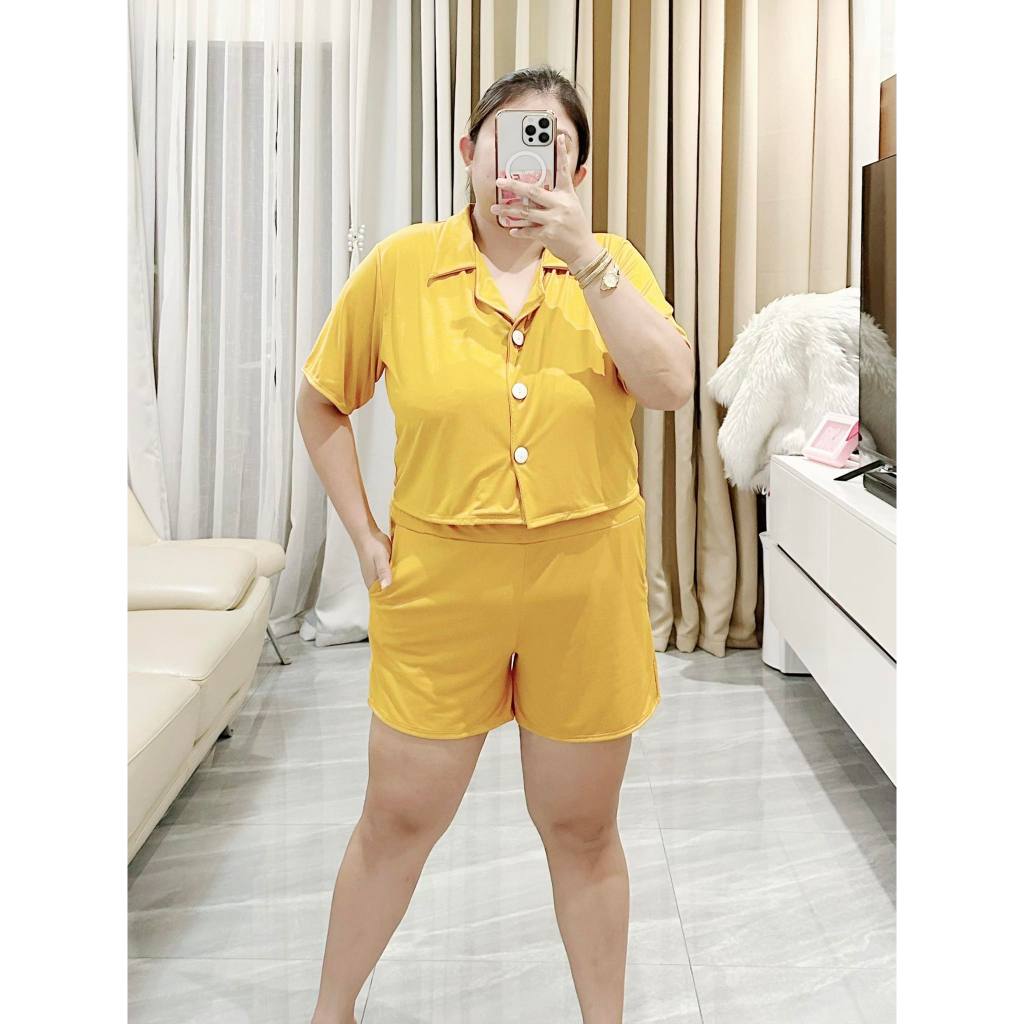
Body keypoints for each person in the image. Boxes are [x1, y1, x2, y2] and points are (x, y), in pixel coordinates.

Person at [297, 65, 693, 1024]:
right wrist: (364, 537)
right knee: (397, 821)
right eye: (508, 137)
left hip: (585, 587)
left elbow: (671, 385)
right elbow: (321, 402)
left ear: (577, 171)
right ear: (469, 152)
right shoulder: (400, 267)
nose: (523, 163)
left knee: (582, 830)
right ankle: (330, 1013)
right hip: (440, 589)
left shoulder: (612, 266)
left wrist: (586, 261)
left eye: (549, 144)